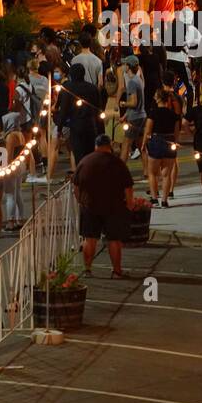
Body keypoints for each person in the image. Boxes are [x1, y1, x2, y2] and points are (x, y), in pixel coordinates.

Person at [74, 134, 137, 278]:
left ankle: (88, 270)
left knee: (89, 238)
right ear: (109, 146)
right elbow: (128, 187)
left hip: (90, 205)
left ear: (96, 146)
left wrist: (81, 201)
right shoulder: (117, 163)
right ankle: (116, 271)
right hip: (113, 206)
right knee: (114, 240)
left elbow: (76, 188)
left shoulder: (85, 161)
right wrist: (129, 204)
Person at [143, 88, 180, 207]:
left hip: (156, 141)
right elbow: (176, 133)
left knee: (152, 172)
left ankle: (154, 199)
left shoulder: (153, 112)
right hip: (169, 142)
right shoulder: (173, 115)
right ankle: (164, 200)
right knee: (166, 174)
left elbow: (148, 131)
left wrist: (144, 143)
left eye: (155, 95)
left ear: (158, 98)